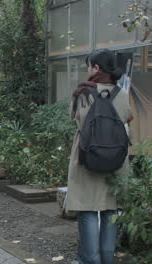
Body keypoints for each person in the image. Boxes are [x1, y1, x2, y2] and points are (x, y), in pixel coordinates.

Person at [67, 49, 132, 264]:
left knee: (87, 210)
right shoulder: (121, 94)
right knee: (110, 211)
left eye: (89, 66)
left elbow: (74, 118)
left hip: (87, 159)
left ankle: (90, 261)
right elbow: (127, 118)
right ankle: (107, 259)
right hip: (115, 162)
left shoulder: (82, 93)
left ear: (96, 68)